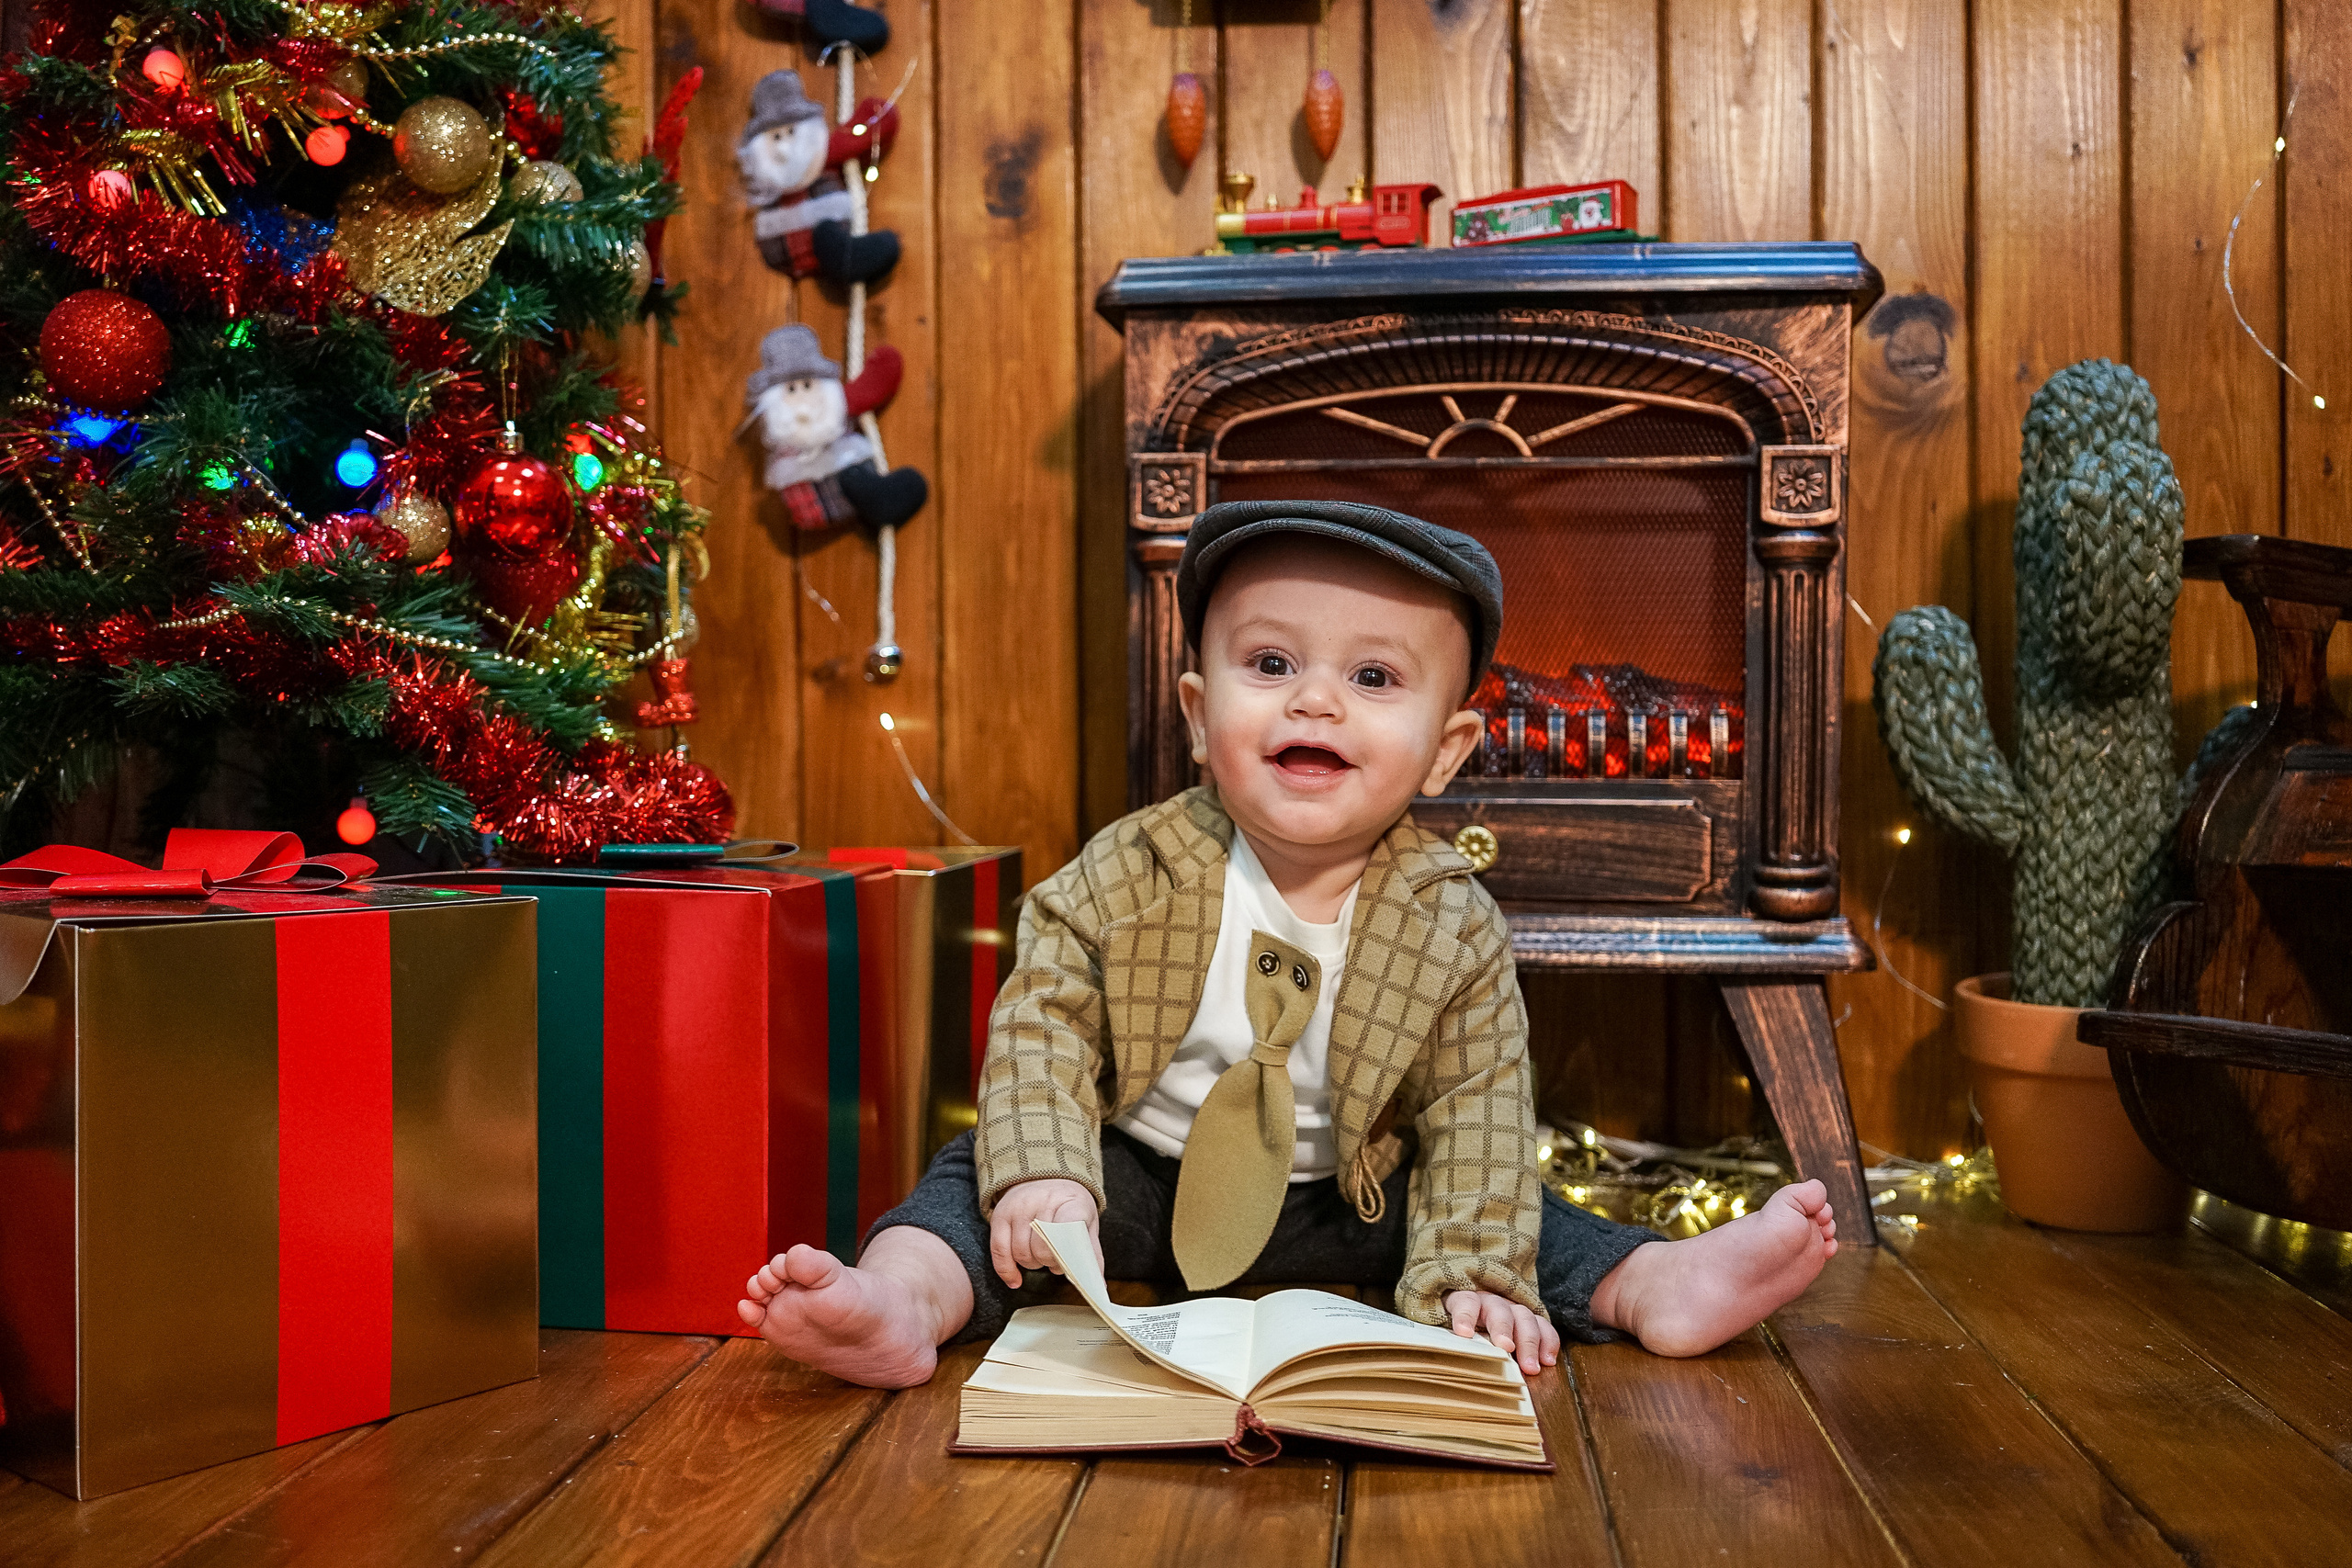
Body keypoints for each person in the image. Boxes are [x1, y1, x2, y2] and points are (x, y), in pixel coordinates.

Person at [739, 500, 1838, 1388]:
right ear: (1195, 709)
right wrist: (1043, 1173)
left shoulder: (1448, 921)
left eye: (1373, 679)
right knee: (965, 1187)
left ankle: (1651, 1286)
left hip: (1347, 1200)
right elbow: (1044, 1027)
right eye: (1268, 665)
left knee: (1509, 1206)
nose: (1314, 698)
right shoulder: (1130, 872)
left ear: (1446, 750)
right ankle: (898, 1303)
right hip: (1131, 1178)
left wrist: (1470, 1266)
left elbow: (1476, 1108)